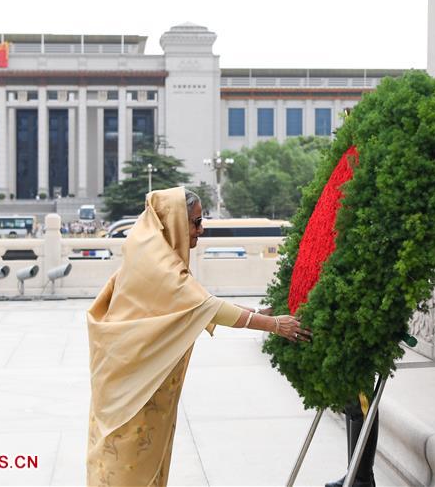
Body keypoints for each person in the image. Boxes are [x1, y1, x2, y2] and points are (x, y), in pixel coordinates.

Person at [86, 187, 308, 487]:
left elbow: (199, 303)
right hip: (133, 388)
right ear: (174, 221)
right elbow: (206, 307)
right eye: (196, 221)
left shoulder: (152, 254)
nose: (201, 229)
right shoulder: (159, 265)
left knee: (141, 456)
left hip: (135, 380)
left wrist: (258, 311)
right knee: (126, 463)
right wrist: (274, 324)